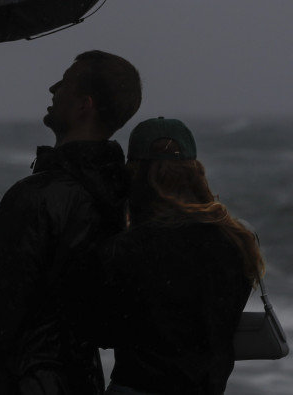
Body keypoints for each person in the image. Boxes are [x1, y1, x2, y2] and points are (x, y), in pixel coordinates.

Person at [0, 50, 143, 395]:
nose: (53, 88)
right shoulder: (116, 198)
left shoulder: (38, 195)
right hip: (79, 381)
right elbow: (33, 283)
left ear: (84, 105)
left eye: (65, 82)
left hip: (21, 383)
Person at [73, 117, 264, 395]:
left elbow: (98, 330)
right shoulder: (237, 241)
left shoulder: (125, 249)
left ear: (134, 175)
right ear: (195, 172)